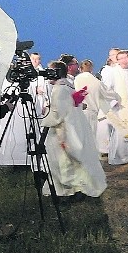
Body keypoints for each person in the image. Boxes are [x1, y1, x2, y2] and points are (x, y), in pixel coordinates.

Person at [40, 61, 107, 197]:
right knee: (74, 161)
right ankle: (78, 187)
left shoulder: (60, 89)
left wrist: (44, 117)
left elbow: (58, 114)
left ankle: (71, 189)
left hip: (64, 130)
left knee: (64, 162)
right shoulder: (68, 86)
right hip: (74, 127)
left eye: (50, 71)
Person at [73, 59, 120, 155]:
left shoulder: (76, 79)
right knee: (91, 136)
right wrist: (118, 97)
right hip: (91, 111)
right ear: (91, 69)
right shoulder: (96, 81)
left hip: (77, 110)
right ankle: (90, 157)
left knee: (79, 135)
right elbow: (107, 93)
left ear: (80, 68)